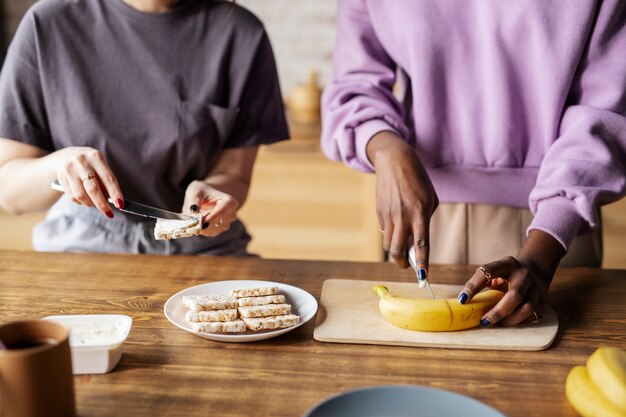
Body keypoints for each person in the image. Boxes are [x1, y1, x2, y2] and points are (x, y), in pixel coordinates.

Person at [322, 1, 626, 326]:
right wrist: (384, 147)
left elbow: (606, 106)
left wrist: (542, 255)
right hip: (423, 218)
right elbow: (354, 84)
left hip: (554, 235)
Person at [0, 0, 288, 255]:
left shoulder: (241, 33)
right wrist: (60, 165)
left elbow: (234, 174)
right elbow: (10, 193)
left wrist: (211, 202)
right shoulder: (47, 22)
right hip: (80, 245)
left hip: (201, 249)